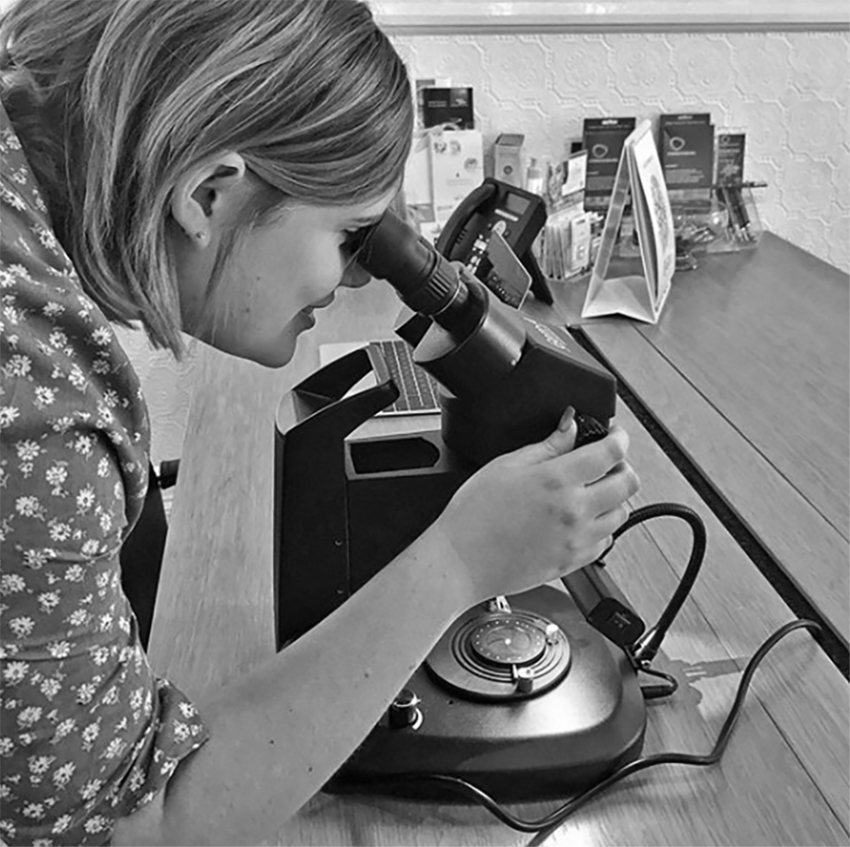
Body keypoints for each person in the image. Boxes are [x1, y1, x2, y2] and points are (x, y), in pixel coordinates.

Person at [0, 0, 640, 844]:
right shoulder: (36, 399)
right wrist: (459, 559)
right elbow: (129, 831)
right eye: (349, 236)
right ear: (206, 193)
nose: (354, 279)